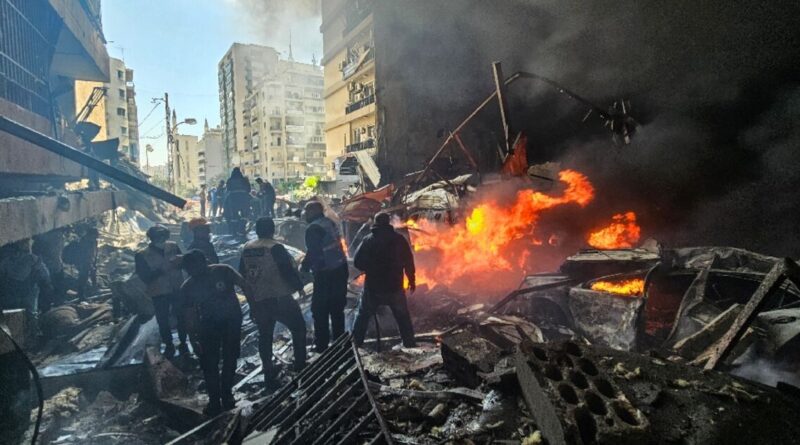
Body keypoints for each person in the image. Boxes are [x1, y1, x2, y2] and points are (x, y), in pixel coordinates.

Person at [181, 249, 249, 415]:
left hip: (231, 322)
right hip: (208, 326)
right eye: (190, 269)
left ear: (204, 262)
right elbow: (189, 314)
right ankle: (214, 400)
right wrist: (192, 338)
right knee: (209, 364)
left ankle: (226, 395)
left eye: (195, 266)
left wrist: (255, 307)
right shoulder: (188, 286)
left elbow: (245, 285)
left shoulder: (223, 270)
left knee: (230, 358)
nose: (193, 271)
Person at [240, 217, 307, 383]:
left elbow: (242, 272)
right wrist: (299, 286)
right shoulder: (275, 247)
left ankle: (268, 369)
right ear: (272, 230)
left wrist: (251, 298)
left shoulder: (247, 248)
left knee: (265, 334)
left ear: (256, 230)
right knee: (298, 328)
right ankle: (300, 364)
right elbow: (286, 270)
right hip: (279, 297)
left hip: (259, 299)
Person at [352, 213, 417, 348]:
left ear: (375, 223)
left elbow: (357, 262)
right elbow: (408, 261)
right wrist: (411, 279)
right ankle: (409, 344)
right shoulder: (399, 239)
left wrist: (369, 268)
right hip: (395, 286)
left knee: (363, 316)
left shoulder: (368, 240)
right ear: (388, 223)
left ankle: (354, 345)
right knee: (402, 317)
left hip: (374, 288)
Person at [300, 201, 348, 352]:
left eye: (307, 211)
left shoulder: (313, 228)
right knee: (337, 309)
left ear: (313, 211)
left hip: (325, 273)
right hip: (340, 269)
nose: (305, 214)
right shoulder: (329, 222)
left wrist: (304, 269)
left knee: (319, 309)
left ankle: (322, 346)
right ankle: (340, 344)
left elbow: (314, 252)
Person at [135, 225, 186, 357]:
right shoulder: (142, 254)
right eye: (158, 236)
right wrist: (159, 271)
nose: (161, 239)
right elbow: (144, 276)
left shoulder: (173, 246)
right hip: (159, 292)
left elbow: (184, 262)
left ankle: (183, 341)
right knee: (163, 320)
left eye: (163, 236)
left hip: (176, 287)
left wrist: (179, 263)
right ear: (151, 238)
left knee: (181, 316)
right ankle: (169, 344)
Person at [0, 239, 53, 314]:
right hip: (25, 295)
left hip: (13, 295)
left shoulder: (8, 260)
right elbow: (45, 278)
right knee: (29, 314)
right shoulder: (34, 260)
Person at [224, 168, 252, 235]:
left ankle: (234, 230)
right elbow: (249, 189)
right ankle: (242, 228)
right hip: (243, 198)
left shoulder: (230, 180)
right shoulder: (244, 180)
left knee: (233, 214)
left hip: (233, 198)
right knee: (244, 214)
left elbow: (228, 189)